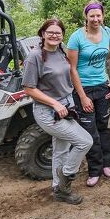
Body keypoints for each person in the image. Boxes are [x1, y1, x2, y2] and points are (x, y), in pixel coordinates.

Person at [22, 19, 93, 205]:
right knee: (85, 141)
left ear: (62, 35)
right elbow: (29, 89)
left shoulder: (62, 52)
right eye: (50, 32)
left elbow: (70, 75)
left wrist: (78, 98)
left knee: (61, 149)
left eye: (58, 33)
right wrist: (54, 104)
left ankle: (57, 188)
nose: (54, 35)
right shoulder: (35, 57)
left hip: (66, 107)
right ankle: (66, 179)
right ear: (43, 34)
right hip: (48, 111)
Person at [67, 0, 110, 187]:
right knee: (90, 130)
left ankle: (106, 164)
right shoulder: (76, 37)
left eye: (98, 15)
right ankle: (94, 170)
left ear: (102, 16)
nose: (96, 19)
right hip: (84, 89)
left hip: (102, 87)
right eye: (92, 15)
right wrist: (82, 96)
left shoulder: (107, 32)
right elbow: (72, 69)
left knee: (103, 125)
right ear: (86, 17)